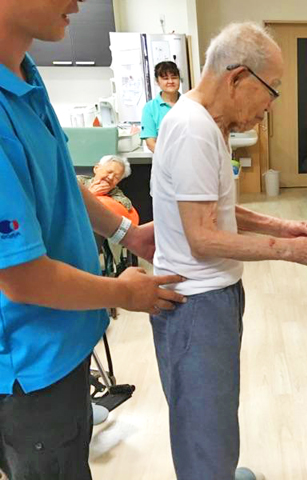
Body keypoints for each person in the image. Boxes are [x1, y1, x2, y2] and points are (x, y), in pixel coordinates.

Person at [150, 22, 307, 480]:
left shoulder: (203, 123)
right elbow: (203, 237)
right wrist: (294, 251)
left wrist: (283, 226)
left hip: (209, 298)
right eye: (272, 89)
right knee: (204, 424)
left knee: (215, 413)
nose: (270, 105)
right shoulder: (194, 130)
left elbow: (217, 209)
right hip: (196, 303)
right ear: (238, 77)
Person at [0, 1, 186, 479]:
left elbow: (63, 178)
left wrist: (128, 233)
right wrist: (123, 292)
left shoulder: (24, 72)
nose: (78, 3)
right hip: (29, 369)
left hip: (67, 344)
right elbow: (22, 278)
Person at [77, 154, 136, 219]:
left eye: (116, 177)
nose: (110, 177)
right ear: (96, 168)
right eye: (109, 172)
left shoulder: (118, 196)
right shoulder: (77, 182)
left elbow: (127, 211)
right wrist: (90, 194)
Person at [141, 60, 181, 152]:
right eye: (165, 78)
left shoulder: (189, 104)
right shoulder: (150, 108)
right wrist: (171, 158)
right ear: (157, 81)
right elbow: (151, 143)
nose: (170, 81)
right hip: (164, 159)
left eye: (174, 77)